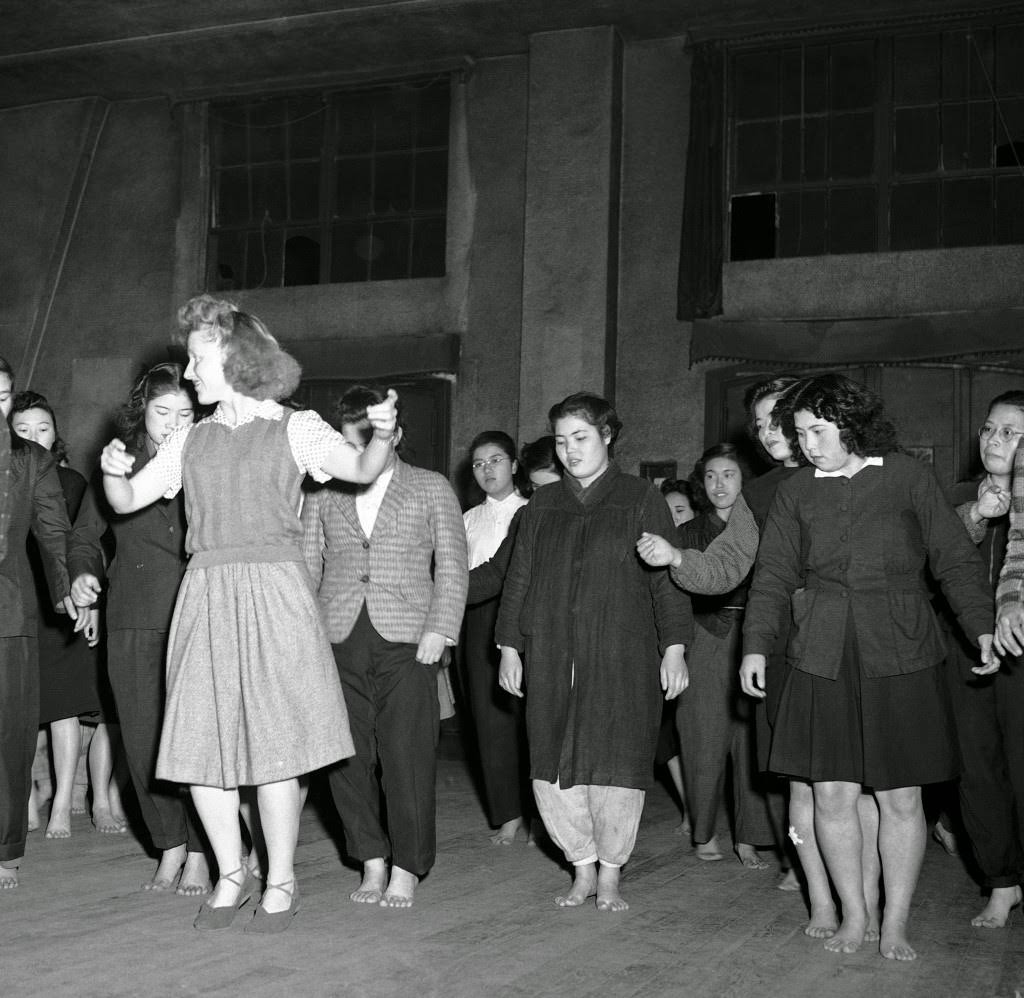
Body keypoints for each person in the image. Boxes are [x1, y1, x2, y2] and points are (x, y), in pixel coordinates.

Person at [98, 296, 398, 932]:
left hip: (275, 595)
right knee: (198, 743)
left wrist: (384, 434)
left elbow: (362, 468)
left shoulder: (296, 427)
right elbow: (128, 502)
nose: (188, 372)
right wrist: (112, 474)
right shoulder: (189, 438)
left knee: (275, 748)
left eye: (198, 359)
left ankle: (281, 879)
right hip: (205, 591)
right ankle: (231, 873)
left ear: (234, 358)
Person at [741, 372, 995, 961]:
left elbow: (954, 560)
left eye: (819, 431)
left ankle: (896, 920)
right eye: (800, 433)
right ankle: (855, 915)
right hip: (821, 651)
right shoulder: (796, 492)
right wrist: (755, 643)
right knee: (830, 794)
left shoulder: (907, 477)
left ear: (853, 425)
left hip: (900, 647)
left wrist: (980, 626)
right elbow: (774, 574)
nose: (809, 445)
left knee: (901, 799)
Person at [495, 392, 692, 912]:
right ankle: (580, 867)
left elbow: (667, 584)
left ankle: (610, 874)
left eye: (580, 438)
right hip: (553, 654)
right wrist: (510, 647)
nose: (569, 451)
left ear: (607, 435)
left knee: (616, 766)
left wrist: (674, 648)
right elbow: (519, 580)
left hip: (621, 655)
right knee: (550, 766)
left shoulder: (639, 499)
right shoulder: (543, 504)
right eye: (560, 441)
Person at [302, 386, 467, 909]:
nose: (362, 452)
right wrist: (305, 640)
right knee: (345, 760)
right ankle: (371, 859)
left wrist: (441, 627)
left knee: (407, 756)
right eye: (352, 442)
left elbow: (453, 564)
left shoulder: (432, 487)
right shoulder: (324, 491)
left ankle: (407, 866)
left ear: (396, 434)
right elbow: (307, 568)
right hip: (338, 636)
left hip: (410, 639)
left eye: (373, 438)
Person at [69, 363, 212, 895]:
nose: (174, 424)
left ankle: (201, 850)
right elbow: (85, 534)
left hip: (198, 613)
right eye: (162, 412)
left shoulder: (210, 454)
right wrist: (83, 574)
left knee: (198, 740)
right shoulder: (119, 461)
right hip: (132, 616)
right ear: (141, 410)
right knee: (144, 742)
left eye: (186, 413)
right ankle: (169, 845)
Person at [738, 375, 839, 934]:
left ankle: (858, 893)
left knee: (852, 781)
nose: (767, 432)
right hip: (780, 642)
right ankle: (813, 882)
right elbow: (740, 568)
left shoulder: (850, 476)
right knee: (799, 776)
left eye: (778, 418)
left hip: (844, 639)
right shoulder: (758, 493)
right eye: (759, 424)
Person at [10, 391, 123, 840]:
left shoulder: (75, 483)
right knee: (20, 709)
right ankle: (26, 801)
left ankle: (65, 802)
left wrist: (89, 600)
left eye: (43, 428)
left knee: (66, 708)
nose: (35, 438)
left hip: (64, 605)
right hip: (20, 604)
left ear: (56, 434)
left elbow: (86, 548)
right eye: (23, 430)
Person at [0, 357, 84, 889]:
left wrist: (67, 589)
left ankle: (4, 848)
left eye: (3, 394)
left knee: (10, 733)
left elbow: (54, 535)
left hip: (8, 610)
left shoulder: (30, 462)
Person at [673, 444, 774, 867]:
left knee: (753, 741)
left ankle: (751, 836)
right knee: (704, 737)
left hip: (757, 637)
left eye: (729, 475)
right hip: (705, 636)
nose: (719, 484)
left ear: (745, 480)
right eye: (711, 476)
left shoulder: (768, 526)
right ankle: (704, 832)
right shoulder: (687, 533)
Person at [951, 391, 1024, 927]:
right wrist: (978, 511)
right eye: (989, 429)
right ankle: (1002, 882)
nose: (995, 441)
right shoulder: (956, 495)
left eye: (1012, 432)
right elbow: (932, 561)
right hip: (967, 658)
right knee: (978, 772)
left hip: (1020, 657)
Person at [461, 431, 530, 845]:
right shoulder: (467, 519)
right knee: (489, 722)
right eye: (479, 464)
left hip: (523, 618)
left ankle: (542, 814)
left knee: (530, 719)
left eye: (496, 460)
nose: (487, 470)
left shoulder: (535, 509)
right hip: (478, 620)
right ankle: (508, 813)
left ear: (515, 465)